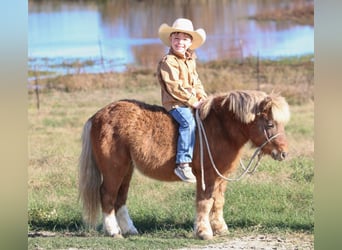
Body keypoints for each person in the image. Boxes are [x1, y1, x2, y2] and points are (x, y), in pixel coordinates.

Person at [157, 18, 207, 183]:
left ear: (190, 42)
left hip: (191, 100)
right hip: (176, 103)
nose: (180, 42)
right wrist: (193, 101)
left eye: (185, 39)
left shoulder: (190, 60)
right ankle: (183, 163)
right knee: (188, 123)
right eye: (176, 38)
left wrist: (202, 97)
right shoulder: (168, 62)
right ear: (170, 40)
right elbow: (174, 88)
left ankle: (204, 155)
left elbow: (196, 82)